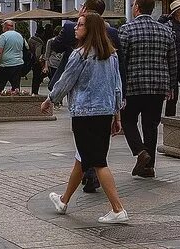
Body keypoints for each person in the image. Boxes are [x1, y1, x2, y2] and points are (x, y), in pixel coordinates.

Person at [42, 12, 129, 224]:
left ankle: (118, 209)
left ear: (89, 30)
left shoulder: (79, 54)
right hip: (105, 111)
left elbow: (66, 81)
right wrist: (116, 113)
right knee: (82, 157)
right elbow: (116, 87)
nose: (75, 28)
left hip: (85, 113)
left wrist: (50, 99)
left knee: (97, 161)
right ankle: (63, 200)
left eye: (80, 25)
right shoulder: (112, 55)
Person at [117, 0, 176, 179]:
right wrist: (171, 86)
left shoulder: (126, 30)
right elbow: (172, 61)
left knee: (128, 121)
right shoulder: (165, 31)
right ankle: (149, 167)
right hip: (158, 87)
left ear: (136, 8)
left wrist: (119, 86)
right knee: (151, 125)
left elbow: (121, 60)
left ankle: (140, 152)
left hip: (133, 86)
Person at [0, 20, 26, 94]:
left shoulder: (3, 36)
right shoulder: (20, 36)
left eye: (2, 26)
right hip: (18, 64)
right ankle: (15, 102)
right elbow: (25, 47)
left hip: (5, 65)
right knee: (16, 87)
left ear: (5, 27)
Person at [29, 27, 47, 95]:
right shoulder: (39, 42)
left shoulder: (31, 39)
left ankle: (34, 91)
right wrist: (40, 61)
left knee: (35, 77)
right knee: (37, 77)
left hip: (32, 60)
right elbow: (38, 54)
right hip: (37, 62)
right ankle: (35, 91)